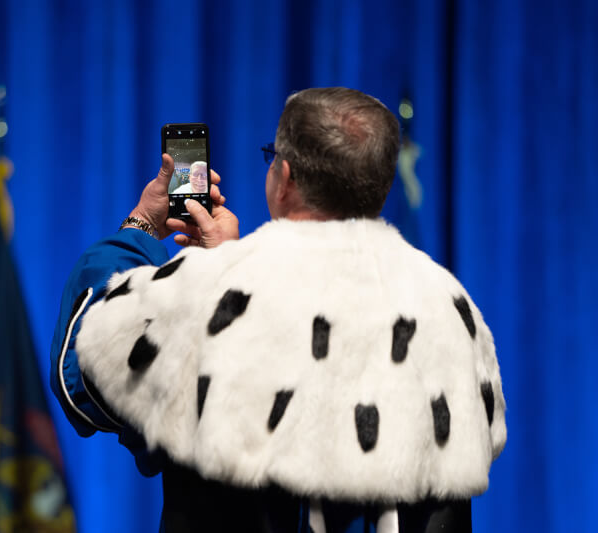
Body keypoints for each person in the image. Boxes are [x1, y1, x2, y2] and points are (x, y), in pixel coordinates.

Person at [50, 88, 506, 532]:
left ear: (284, 177)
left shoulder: (208, 297)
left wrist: (142, 228)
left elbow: (83, 370)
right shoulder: (452, 311)